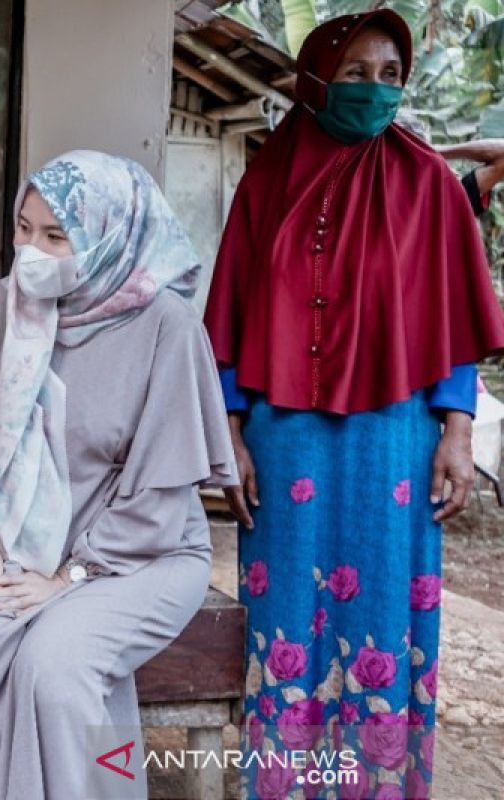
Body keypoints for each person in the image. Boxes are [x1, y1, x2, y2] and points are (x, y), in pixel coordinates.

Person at [203, 11, 504, 798]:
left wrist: (459, 431)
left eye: (390, 76)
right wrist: (228, 436)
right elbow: (232, 316)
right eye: (357, 73)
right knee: (287, 614)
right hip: (284, 439)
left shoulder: (431, 183)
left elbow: (453, 323)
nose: (375, 90)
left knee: (382, 608)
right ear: (315, 78)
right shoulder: (266, 179)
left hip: (393, 438)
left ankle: (376, 783)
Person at [0, 150, 237, 800]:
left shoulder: (167, 326)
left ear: (107, 234)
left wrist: (70, 577)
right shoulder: (5, 309)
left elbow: (159, 498)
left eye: (56, 235)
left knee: (60, 660)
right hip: (28, 539)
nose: (33, 250)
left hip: (143, 553)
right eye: (24, 228)